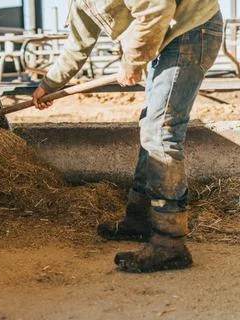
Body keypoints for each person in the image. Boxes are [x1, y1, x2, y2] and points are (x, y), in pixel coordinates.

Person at [33, 0, 223, 273]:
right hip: (167, 35)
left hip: (192, 29)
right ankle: (140, 219)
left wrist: (132, 61)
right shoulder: (81, 3)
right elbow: (77, 45)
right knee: (152, 125)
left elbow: (157, 7)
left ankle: (169, 242)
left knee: (161, 130)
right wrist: (48, 85)